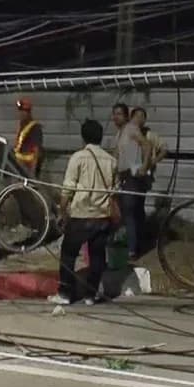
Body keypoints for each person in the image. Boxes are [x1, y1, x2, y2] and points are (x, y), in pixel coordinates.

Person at [49, 119, 118, 306]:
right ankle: (91, 295)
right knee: (97, 256)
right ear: (101, 137)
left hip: (81, 215)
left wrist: (62, 212)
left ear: (83, 137)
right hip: (102, 216)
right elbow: (114, 191)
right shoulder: (111, 161)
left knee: (69, 254)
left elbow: (68, 189)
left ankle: (65, 293)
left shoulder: (78, 158)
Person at [111, 103, 152, 259]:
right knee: (128, 213)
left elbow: (146, 145)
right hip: (122, 176)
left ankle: (132, 250)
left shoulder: (131, 129)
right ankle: (133, 245)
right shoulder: (119, 134)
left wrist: (144, 165)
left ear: (126, 116)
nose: (116, 117)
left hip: (132, 176)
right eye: (114, 114)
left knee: (129, 212)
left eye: (119, 114)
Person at [13, 97, 44, 178]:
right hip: (17, 166)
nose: (20, 114)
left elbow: (36, 151)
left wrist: (32, 174)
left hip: (27, 168)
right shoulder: (21, 125)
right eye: (19, 111)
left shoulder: (35, 128)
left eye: (22, 111)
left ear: (28, 112)